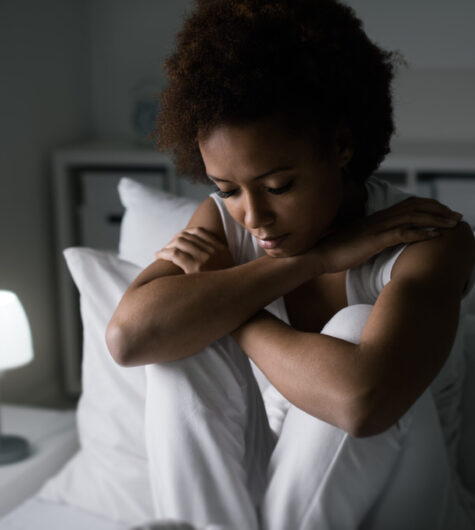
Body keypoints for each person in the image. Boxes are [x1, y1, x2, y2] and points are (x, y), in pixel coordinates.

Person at [106, 1, 475, 528]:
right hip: (279, 496)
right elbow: (129, 340)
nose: (254, 217)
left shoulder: (427, 238)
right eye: (228, 189)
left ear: (341, 145)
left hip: (412, 506)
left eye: (280, 185)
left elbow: (361, 404)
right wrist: (316, 260)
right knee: (178, 340)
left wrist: (232, 306)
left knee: (351, 326)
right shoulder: (224, 222)